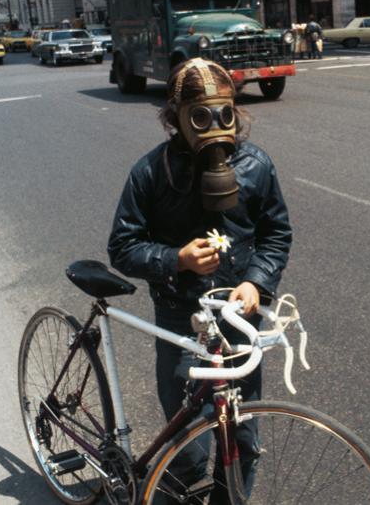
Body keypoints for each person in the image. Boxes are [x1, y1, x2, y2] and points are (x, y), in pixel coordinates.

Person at [108, 58, 292, 504]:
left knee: (243, 440)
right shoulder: (152, 173)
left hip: (238, 320)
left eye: (224, 114)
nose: (216, 128)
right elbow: (122, 246)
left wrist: (256, 282)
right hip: (181, 321)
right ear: (177, 118)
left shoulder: (255, 165)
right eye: (201, 117)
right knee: (190, 449)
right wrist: (177, 259)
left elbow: (275, 233)